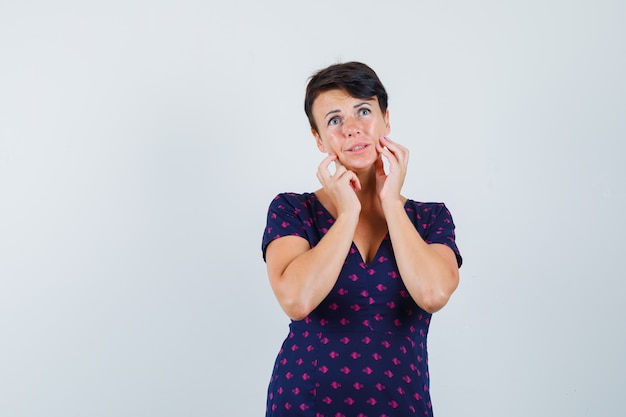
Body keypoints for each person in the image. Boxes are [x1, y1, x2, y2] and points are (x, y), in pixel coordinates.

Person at [261, 61, 462, 417]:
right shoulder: (292, 210)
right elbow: (296, 299)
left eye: (364, 111)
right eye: (335, 120)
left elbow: (433, 295)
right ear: (319, 139)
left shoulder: (430, 218)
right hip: (303, 405)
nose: (352, 129)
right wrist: (348, 212)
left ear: (386, 119)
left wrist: (390, 203)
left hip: (401, 406)